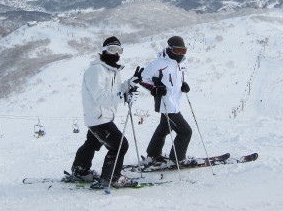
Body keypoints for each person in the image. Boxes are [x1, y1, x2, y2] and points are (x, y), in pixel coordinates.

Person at [71, 36, 141, 188]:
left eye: (118, 50)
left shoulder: (112, 70)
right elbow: (100, 97)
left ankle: (80, 170)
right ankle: (111, 177)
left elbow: (114, 91)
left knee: (92, 142)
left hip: (101, 116)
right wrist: (123, 96)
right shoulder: (96, 70)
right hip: (99, 118)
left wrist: (129, 84)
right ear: (104, 51)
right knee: (120, 145)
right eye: (111, 50)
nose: (115, 54)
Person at [140, 36, 195, 165]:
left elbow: (180, 77)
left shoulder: (183, 63)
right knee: (185, 132)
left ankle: (153, 154)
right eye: (177, 51)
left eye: (183, 51)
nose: (180, 54)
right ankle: (177, 159)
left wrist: (183, 84)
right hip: (166, 104)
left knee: (164, 129)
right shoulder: (159, 63)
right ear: (170, 49)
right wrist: (155, 89)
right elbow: (141, 78)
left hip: (176, 104)